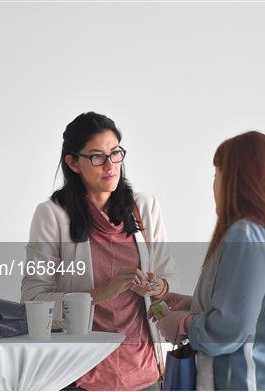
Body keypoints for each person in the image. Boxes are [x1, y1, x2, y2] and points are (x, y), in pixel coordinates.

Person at [21, 112, 179, 391]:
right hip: (81, 376)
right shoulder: (52, 215)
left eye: (115, 153)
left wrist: (158, 287)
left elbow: (170, 281)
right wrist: (102, 293)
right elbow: (33, 300)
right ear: (73, 163)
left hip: (147, 374)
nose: (110, 165)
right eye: (96, 156)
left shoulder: (145, 207)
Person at [155, 131, 265, 390]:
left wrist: (184, 324)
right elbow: (262, 312)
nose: (214, 184)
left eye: (217, 173)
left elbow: (230, 330)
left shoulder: (246, 234)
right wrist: (194, 304)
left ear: (236, 179)